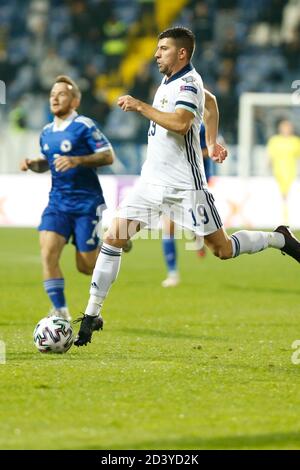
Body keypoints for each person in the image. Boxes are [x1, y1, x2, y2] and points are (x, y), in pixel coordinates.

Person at [74, 27, 300, 347]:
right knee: (113, 236)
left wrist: (140, 107)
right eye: (157, 48)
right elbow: (212, 103)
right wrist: (211, 140)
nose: (156, 54)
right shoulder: (172, 82)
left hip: (186, 188)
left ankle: (280, 238)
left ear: (181, 53)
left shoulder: (189, 83)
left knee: (222, 249)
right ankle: (91, 314)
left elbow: (181, 123)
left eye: (163, 49)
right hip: (151, 182)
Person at [20, 75, 115, 321]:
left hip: (87, 202)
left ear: (74, 101)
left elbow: (108, 156)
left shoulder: (84, 125)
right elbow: (49, 163)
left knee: (85, 267)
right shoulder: (46, 132)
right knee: (48, 253)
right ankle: (60, 311)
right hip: (58, 204)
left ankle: (113, 243)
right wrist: (34, 164)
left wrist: (77, 160)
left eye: (61, 94)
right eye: (52, 93)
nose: (54, 97)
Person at [161, 120, 213, 288]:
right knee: (168, 225)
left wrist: (191, 151)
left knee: (194, 225)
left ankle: (198, 240)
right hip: (172, 180)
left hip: (194, 181)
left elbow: (209, 150)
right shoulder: (166, 123)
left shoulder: (201, 127)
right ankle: (172, 273)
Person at [267, 119, 300, 223]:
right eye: (284, 127)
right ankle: (279, 220)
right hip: (277, 173)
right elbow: (269, 156)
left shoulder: (295, 141)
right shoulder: (274, 140)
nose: (286, 129)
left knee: (290, 198)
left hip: (291, 173)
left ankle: (289, 221)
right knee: (278, 198)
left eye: (288, 127)